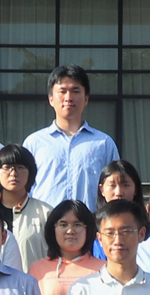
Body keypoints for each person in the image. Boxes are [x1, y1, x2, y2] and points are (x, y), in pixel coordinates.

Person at [23, 64, 119, 208]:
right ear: (51, 99)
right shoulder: (34, 143)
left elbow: (115, 188)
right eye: (62, 91)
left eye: (75, 91)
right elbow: (24, 190)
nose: (68, 98)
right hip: (45, 221)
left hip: (91, 220)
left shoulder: (104, 143)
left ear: (86, 99)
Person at [29, 199, 100, 295]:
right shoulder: (38, 269)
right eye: (63, 225)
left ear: (88, 229)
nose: (70, 230)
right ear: (53, 229)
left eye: (77, 224)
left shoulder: (103, 268)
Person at [0, 144, 53, 270]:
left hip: (34, 281)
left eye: (20, 167)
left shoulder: (46, 213)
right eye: (7, 167)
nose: (13, 173)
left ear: (30, 173)